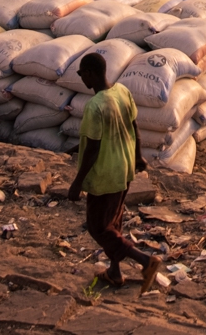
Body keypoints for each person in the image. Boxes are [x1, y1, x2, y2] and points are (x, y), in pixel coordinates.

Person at [67, 53, 161, 295]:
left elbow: (94, 148)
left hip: (105, 176)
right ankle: (115, 272)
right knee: (114, 223)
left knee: (99, 228)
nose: (81, 79)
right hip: (125, 168)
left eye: (81, 74)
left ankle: (144, 261)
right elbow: (134, 127)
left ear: (89, 73)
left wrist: (77, 182)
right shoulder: (122, 92)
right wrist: (139, 156)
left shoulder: (95, 106)